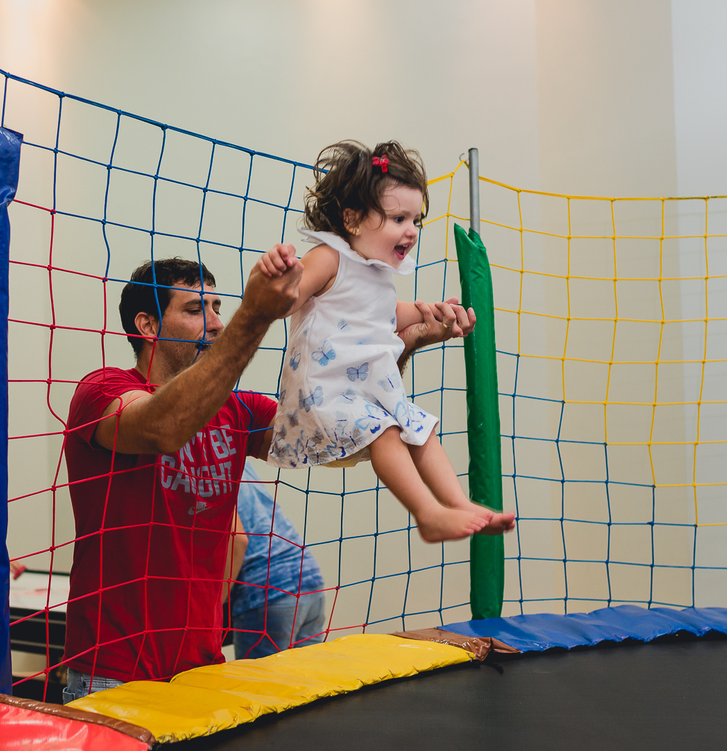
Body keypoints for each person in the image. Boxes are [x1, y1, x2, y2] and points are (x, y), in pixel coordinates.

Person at [60, 253, 469, 699]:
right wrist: (253, 317)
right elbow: (163, 427)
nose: (215, 322)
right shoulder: (102, 390)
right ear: (148, 326)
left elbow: (348, 443)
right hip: (113, 672)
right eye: (196, 310)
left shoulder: (239, 411)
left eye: (218, 307)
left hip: (200, 669)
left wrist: (399, 349)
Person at [257, 140, 518, 544]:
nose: (411, 231)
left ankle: (458, 503)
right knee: (387, 430)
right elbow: (285, 300)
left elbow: (385, 314)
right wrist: (280, 276)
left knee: (420, 427)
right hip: (325, 391)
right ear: (353, 219)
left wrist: (428, 310)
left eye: (417, 219)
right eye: (399, 218)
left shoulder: (377, 271)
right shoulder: (330, 257)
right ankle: (427, 513)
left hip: (366, 390)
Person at [230, 462, 325, 659]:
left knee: (257, 687)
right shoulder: (234, 457)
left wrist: (212, 610)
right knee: (307, 682)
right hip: (307, 573)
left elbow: (238, 540)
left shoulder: (198, 468)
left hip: (265, 586)